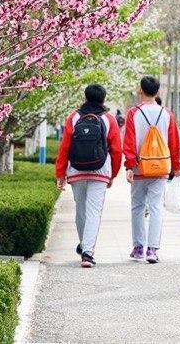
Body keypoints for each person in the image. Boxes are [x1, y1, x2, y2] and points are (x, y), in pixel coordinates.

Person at [55, 84, 123, 268]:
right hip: (100, 171)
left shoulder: (74, 117)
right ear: (103, 98)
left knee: (80, 210)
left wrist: (60, 173)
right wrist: (113, 174)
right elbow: (116, 150)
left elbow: (64, 147)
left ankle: (84, 245)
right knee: (93, 211)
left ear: (85, 97)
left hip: (76, 170)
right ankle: (88, 252)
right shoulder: (109, 118)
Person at [123, 76, 180, 263]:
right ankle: (152, 250)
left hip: (139, 167)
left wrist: (129, 165)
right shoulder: (166, 114)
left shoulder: (133, 113)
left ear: (140, 90)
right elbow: (174, 142)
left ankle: (138, 247)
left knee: (137, 207)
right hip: (161, 167)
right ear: (158, 91)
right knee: (156, 207)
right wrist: (176, 166)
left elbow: (129, 141)